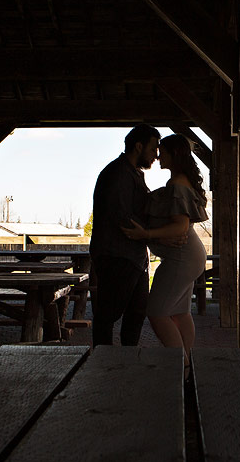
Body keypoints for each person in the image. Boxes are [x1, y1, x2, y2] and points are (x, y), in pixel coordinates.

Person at [122, 134, 208, 375]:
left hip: (182, 257)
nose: (159, 156)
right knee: (179, 312)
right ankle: (186, 365)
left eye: (163, 151)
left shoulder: (178, 184)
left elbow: (180, 226)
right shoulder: (181, 181)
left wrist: (145, 234)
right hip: (190, 256)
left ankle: (182, 365)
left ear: (174, 155)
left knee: (157, 312)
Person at [89, 124, 160, 346]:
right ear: (138, 146)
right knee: (108, 315)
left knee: (136, 314)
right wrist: (155, 234)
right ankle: (103, 363)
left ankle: (127, 363)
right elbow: (122, 216)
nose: (156, 155)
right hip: (117, 256)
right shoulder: (118, 173)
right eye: (153, 148)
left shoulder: (132, 173)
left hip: (133, 258)